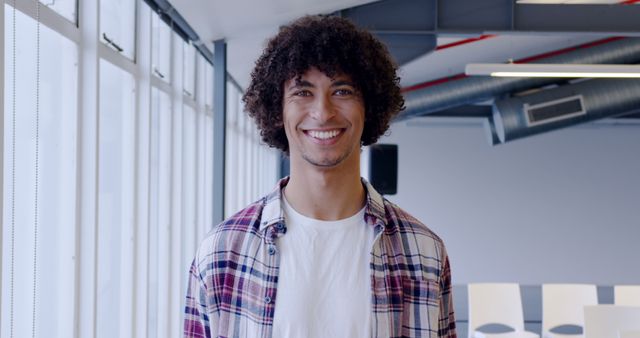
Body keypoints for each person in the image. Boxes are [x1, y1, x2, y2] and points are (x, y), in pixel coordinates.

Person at [184, 15, 456, 338]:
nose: (323, 112)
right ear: (277, 109)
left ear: (368, 106)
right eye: (303, 92)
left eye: (342, 91)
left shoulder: (423, 253)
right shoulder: (222, 253)